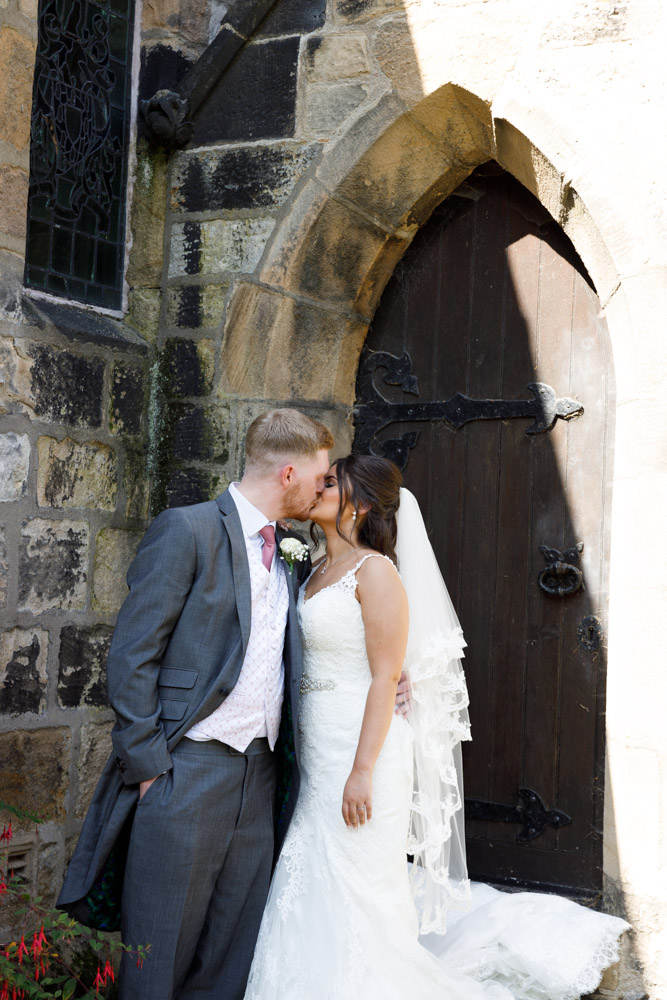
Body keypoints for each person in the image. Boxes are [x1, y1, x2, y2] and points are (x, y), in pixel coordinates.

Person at [244, 453, 630, 1000]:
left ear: (363, 504)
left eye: (333, 481)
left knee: (361, 886)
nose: (320, 487)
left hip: (364, 754)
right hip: (318, 749)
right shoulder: (312, 569)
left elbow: (384, 678)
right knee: (315, 876)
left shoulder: (375, 571)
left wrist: (361, 771)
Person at [57, 408, 335, 1000]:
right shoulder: (187, 530)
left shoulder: (292, 549)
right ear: (289, 472)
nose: (323, 486)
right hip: (185, 770)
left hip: (259, 775)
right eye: (320, 475)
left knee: (231, 955)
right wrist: (151, 767)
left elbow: (311, 643)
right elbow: (132, 656)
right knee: (157, 954)